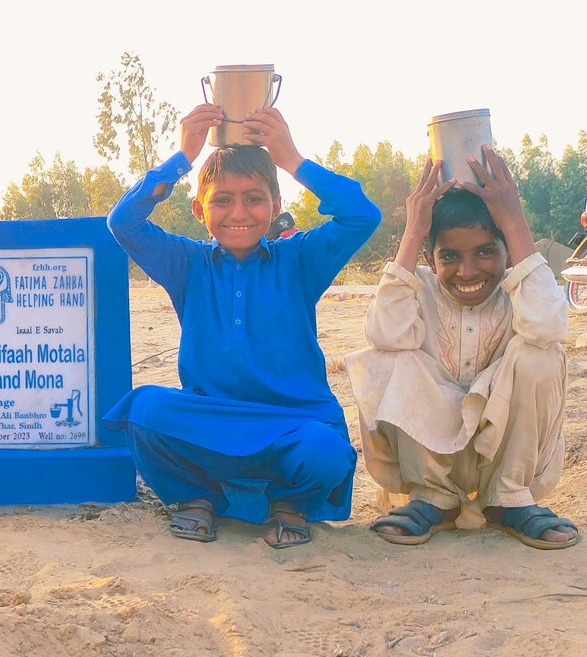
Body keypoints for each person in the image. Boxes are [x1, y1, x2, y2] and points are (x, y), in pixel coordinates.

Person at [102, 104, 381, 548]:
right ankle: (199, 499)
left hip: (292, 424)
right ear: (199, 209)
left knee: (327, 453)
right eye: (223, 200)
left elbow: (363, 216)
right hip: (213, 422)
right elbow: (123, 222)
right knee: (143, 411)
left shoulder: (300, 260)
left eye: (254, 198)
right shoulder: (187, 263)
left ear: (276, 205)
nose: (239, 212)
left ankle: (287, 504)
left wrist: (289, 158)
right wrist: (183, 157)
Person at [345, 148, 579, 549]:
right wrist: (414, 230)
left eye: (486, 251)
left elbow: (547, 325)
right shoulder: (419, 289)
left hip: (503, 455)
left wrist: (515, 220)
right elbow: (384, 333)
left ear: (508, 251)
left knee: (540, 353)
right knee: (391, 355)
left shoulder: (520, 290)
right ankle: (434, 498)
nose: (467, 271)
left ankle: (508, 500)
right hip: (434, 457)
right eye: (449, 256)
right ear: (428, 257)